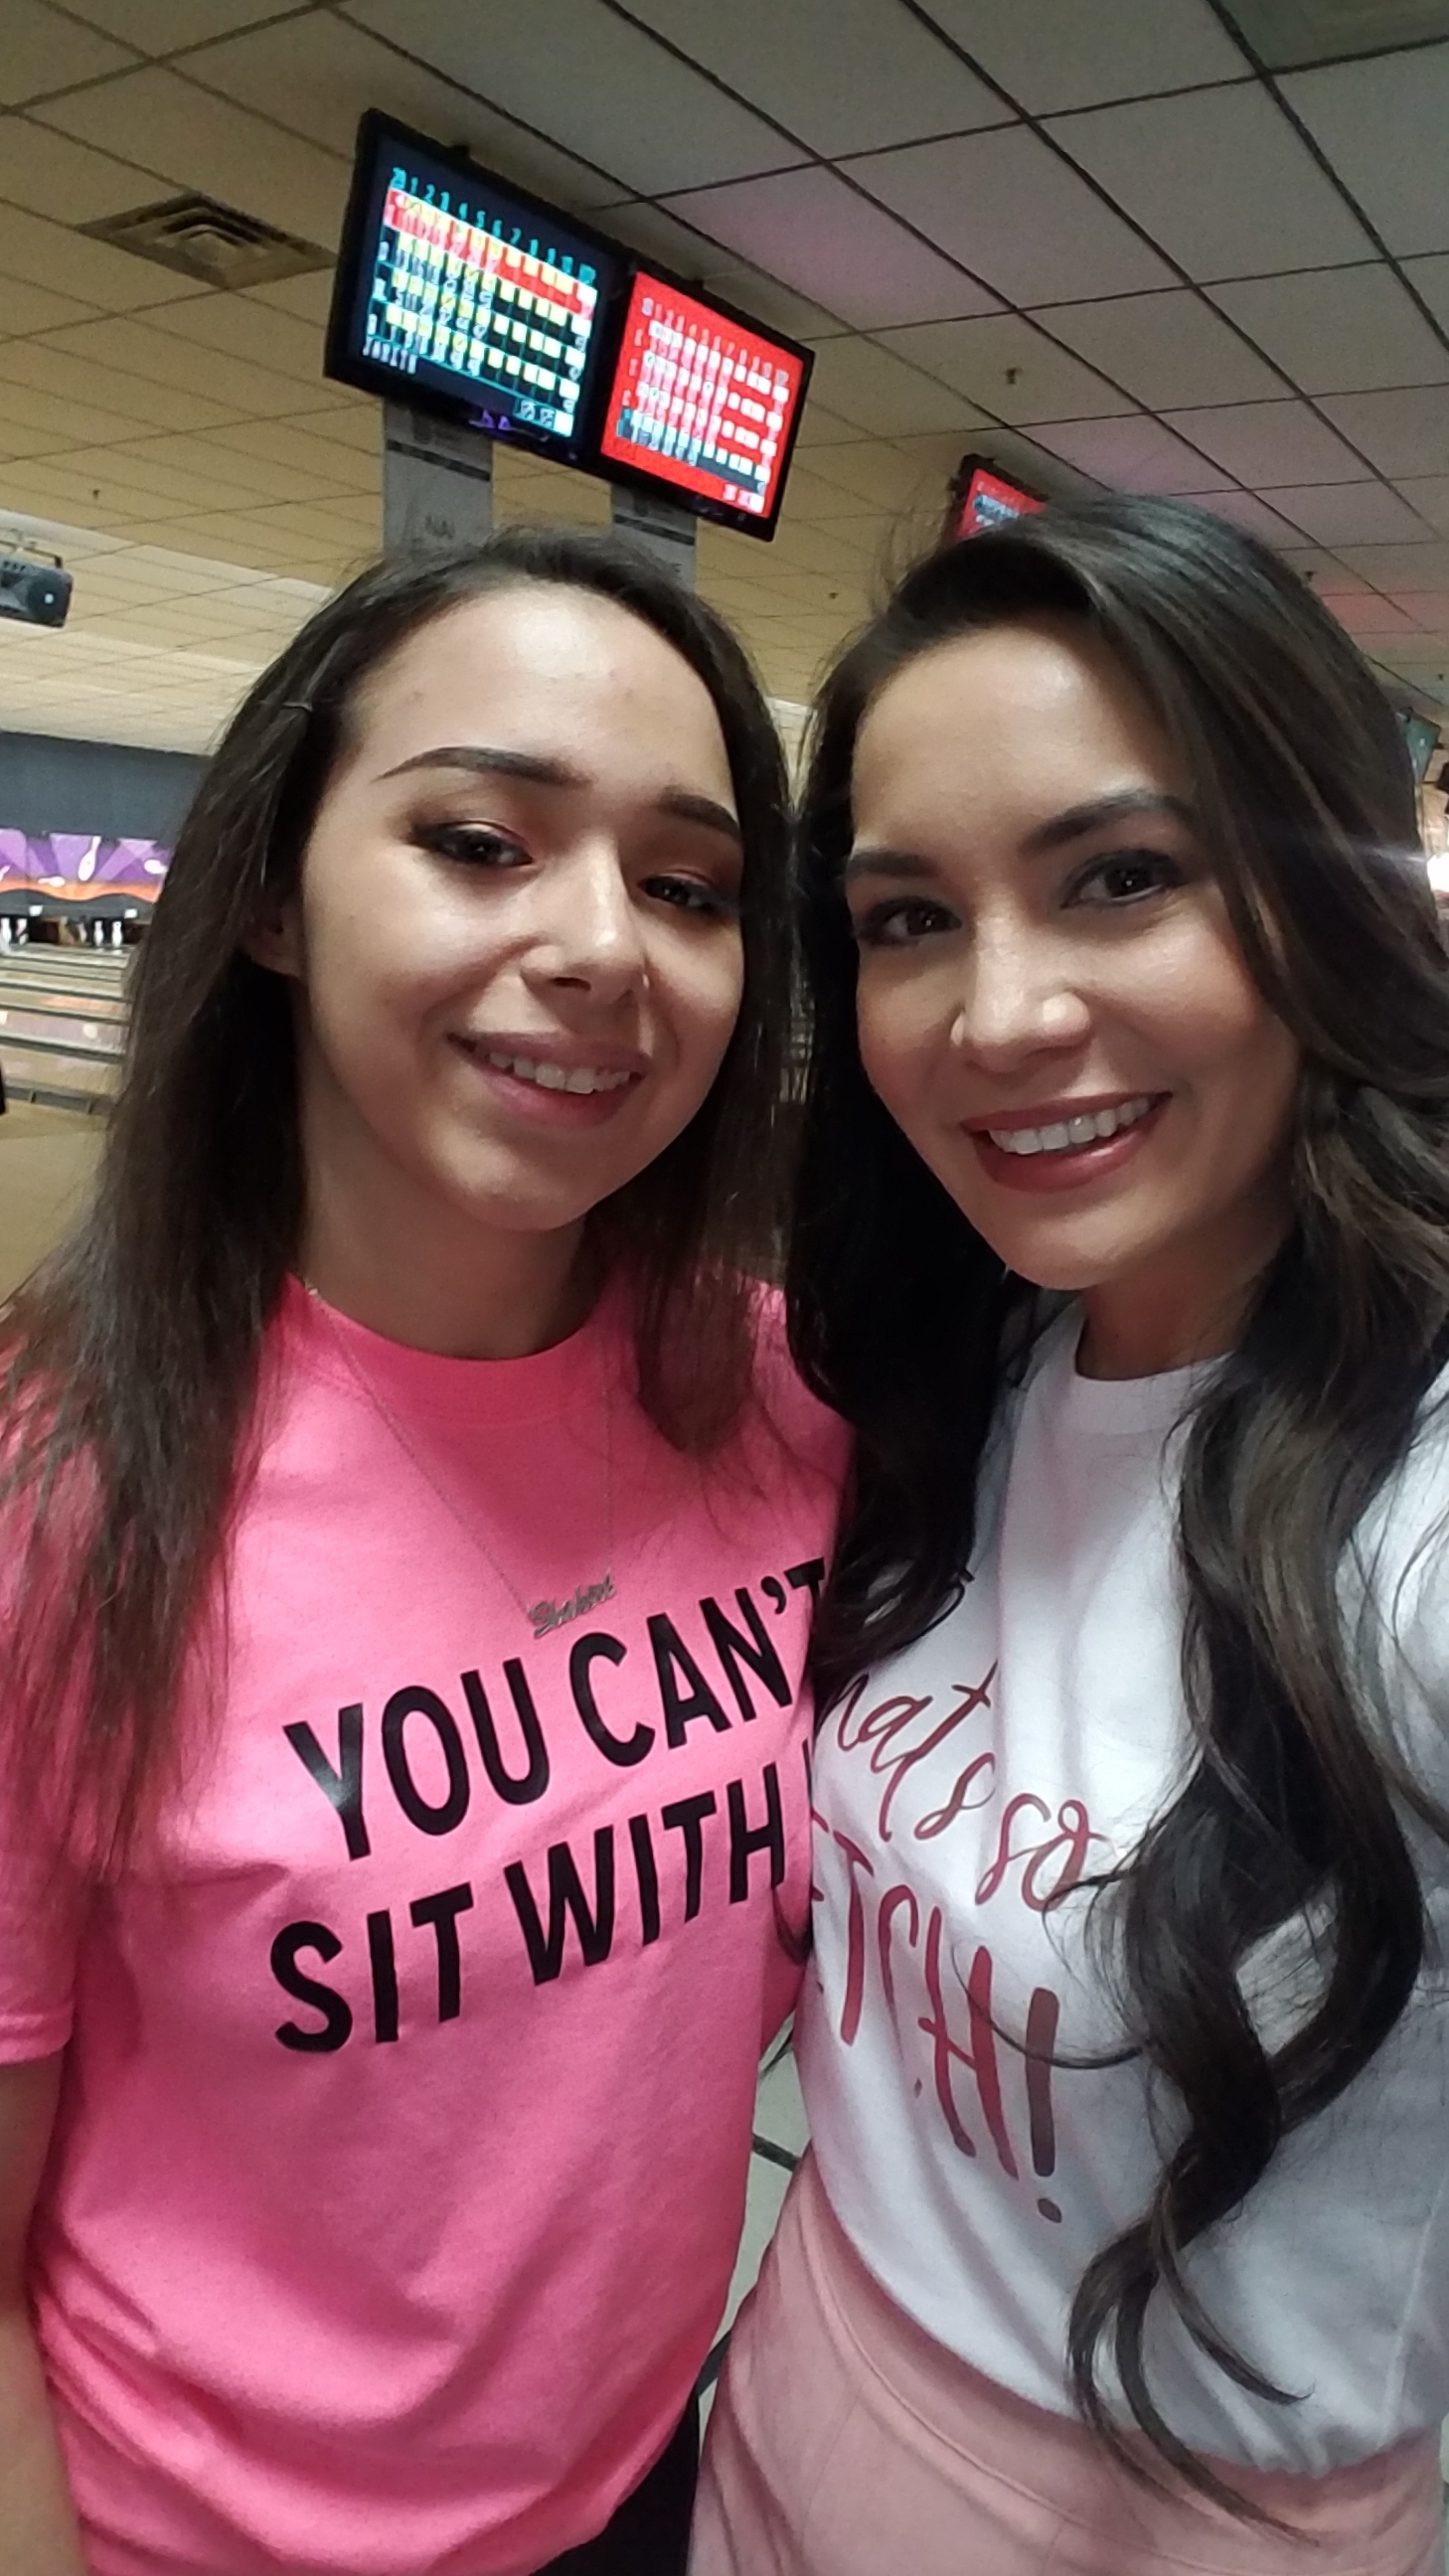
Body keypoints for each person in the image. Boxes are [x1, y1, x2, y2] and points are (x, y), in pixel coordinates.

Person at [0, 526, 845, 2576]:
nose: (605, 946)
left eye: (689, 886)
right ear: (273, 895)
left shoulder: (791, 1403)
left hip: (652, 2487)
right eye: (479, 841)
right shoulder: (61, 1489)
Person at [693, 496, 1449, 2576]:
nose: (998, 1016)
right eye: (908, 919)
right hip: (780, 2405)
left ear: (1318, 898)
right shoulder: (977, 1370)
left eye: (1119, 878)